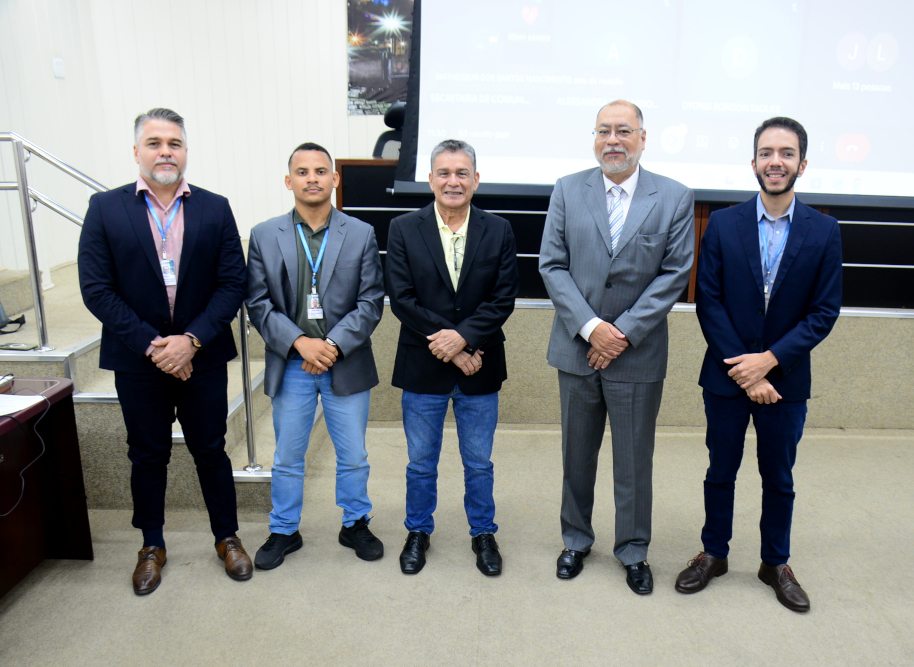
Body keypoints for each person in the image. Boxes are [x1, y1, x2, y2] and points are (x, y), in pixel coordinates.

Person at [78, 108, 252, 595]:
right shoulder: (105, 208)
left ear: (186, 151)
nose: (165, 152)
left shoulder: (215, 208)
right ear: (136, 151)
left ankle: (227, 537)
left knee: (211, 450)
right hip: (139, 360)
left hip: (203, 357)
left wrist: (190, 341)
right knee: (147, 455)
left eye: (174, 143)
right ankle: (151, 545)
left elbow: (232, 283)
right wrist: (154, 347)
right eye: (154, 143)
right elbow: (96, 288)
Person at [674, 117, 842, 612]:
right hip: (726, 378)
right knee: (719, 470)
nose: (776, 162)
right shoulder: (723, 224)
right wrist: (745, 372)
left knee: (779, 478)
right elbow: (709, 301)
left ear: (802, 165)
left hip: (785, 381)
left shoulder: (824, 231)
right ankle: (714, 553)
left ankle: (775, 563)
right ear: (753, 162)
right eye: (767, 153)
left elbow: (823, 312)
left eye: (786, 153)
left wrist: (768, 363)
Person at [539, 100, 695, 594]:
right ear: (594, 138)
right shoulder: (568, 189)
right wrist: (591, 328)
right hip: (577, 350)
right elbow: (552, 265)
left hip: (637, 354)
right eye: (603, 130)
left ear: (642, 138)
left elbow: (674, 274)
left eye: (623, 130)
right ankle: (575, 539)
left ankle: (633, 550)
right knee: (576, 456)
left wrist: (621, 332)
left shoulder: (674, 197)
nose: (613, 140)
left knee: (633, 461)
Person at [245, 142, 385, 569]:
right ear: (289, 181)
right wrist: (300, 343)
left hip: (345, 361)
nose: (312, 179)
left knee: (354, 455)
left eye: (321, 171)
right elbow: (258, 303)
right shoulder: (264, 234)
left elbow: (371, 302)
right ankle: (284, 529)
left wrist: (332, 345)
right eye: (302, 172)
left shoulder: (360, 233)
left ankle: (355, 523)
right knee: (288, 456)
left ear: (334, 179)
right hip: (292, 363)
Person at [385, 139, 519, 576]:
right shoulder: (404, 228)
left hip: (480, 364)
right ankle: (418, 531)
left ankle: (483, 533)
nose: (453, 181)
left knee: (478, 463)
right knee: (421, 463)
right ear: (430, 179)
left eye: (462, 173)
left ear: (476, 179)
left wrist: (462, 341)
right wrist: (454, 347)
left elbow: (502, 299)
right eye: (444, 173)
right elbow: (402, 299)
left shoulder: (498, 229)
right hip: (424, 366)